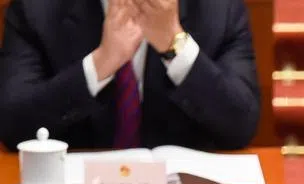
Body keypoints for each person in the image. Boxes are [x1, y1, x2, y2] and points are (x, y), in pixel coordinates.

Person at [0, 0, 259, 151]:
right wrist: (100, 64)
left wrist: (174, 44)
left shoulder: (219, 8)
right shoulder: (38, 8)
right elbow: (12, 126)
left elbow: (241, 124)